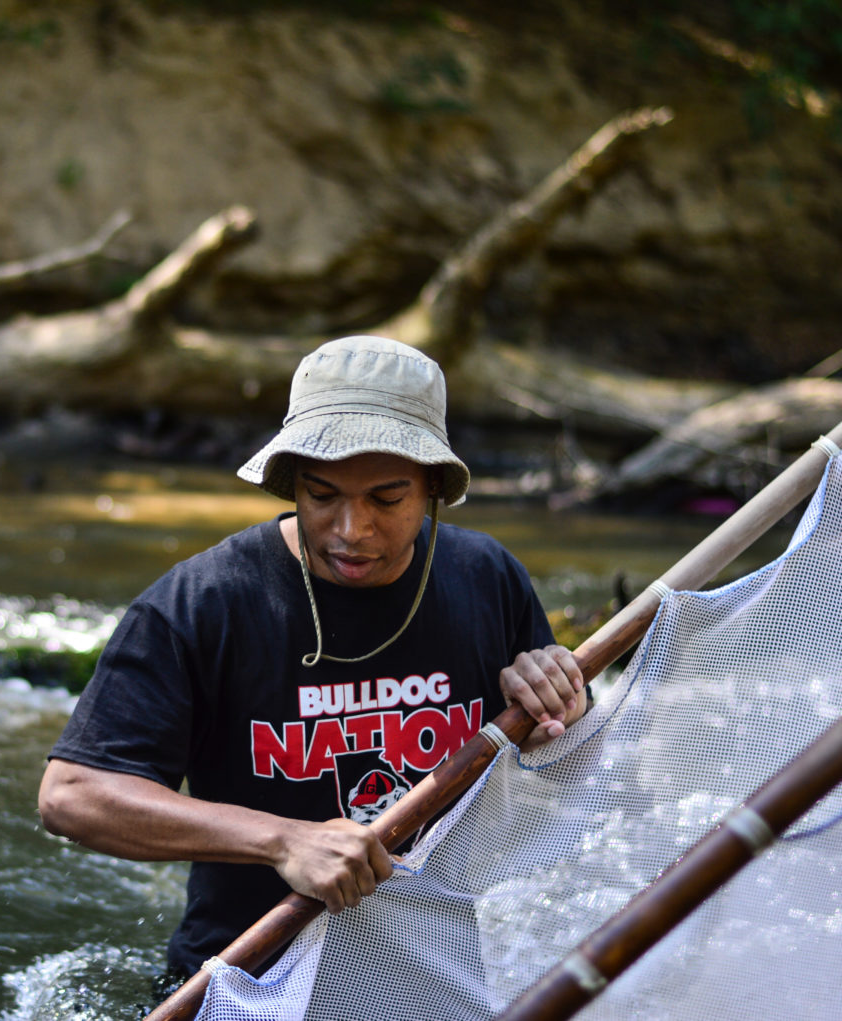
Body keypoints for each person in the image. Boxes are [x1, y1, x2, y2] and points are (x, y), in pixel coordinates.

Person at [37, 335, 586, 982]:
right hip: (252, 981)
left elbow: (565, 790)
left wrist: (563, 714)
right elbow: (72, 794)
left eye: (386, 499)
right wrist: (282, 840)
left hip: (445, 975)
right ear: (291, 479)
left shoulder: (487, 578)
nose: (352, 529)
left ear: (433, 486)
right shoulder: (204, 603)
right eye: (322, 494)